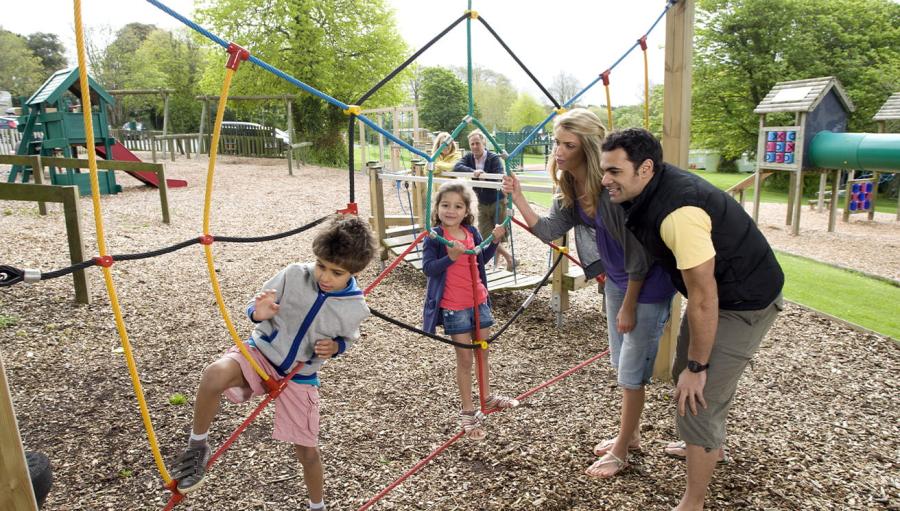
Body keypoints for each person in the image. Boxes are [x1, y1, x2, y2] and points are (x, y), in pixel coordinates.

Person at [599, 128, 784, 510]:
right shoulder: (652, 189)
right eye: (605, 170)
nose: (606, 180)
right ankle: (705, 444)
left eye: (614, 171)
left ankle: (692, 502)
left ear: (645, 168)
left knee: (697, 396)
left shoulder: (679, 213)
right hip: (722, 295)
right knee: (689, 376)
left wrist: (700, 366)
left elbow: (703, 298)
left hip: (742, 302)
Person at [501, 108, 676, 478]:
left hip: (645, 282)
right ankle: (630, 436)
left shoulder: (610, 189)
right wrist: (517, 197)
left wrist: (628, 305)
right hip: (617, 279)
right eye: (556, 143)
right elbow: (548, 230)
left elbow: (640, 255)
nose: (558, 152)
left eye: (569, 145)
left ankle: (621, 451)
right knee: (619, 362)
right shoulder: (570, 186)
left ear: (589, 148)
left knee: (630, 372)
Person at [171, 215, 378, 511]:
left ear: (354, 272)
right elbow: (255, 307)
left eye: (337, 272)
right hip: (261, 354)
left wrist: (336, 346)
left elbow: (349, 338)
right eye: (321, 265)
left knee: (308, 452)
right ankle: (197, 446)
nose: (325, 277)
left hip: (300, 376)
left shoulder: (355, 307)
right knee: (214, 375)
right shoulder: (294, 275)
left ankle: (317, 506)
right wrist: (259, 312)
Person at [422, 182, 520, 440]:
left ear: (466, 211)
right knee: (464, 360)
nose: (451, 210)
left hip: (479, 301)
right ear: (437, 208)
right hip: (454, 307)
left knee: (482, 353)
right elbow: (429, 269)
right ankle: (468, 410)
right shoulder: (434, 237)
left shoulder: (471, 233)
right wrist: (449, 258)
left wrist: (494, 241)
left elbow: (480, 259)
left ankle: (487, 398)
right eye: (445, 205)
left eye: (457, 206)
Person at [453, 129, 516, 270]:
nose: (475, 146)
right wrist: (473, 172)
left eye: (477, 143)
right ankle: (509, 258)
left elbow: (499, 173)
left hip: (496, 200)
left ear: (484, 143)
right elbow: (457, 166)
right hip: (480, 201)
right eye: (472, 144)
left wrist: (483, 175)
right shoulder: (469, 158)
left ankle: (495, 265)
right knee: (487, 234)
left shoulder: (493, 157)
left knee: (498, 232)